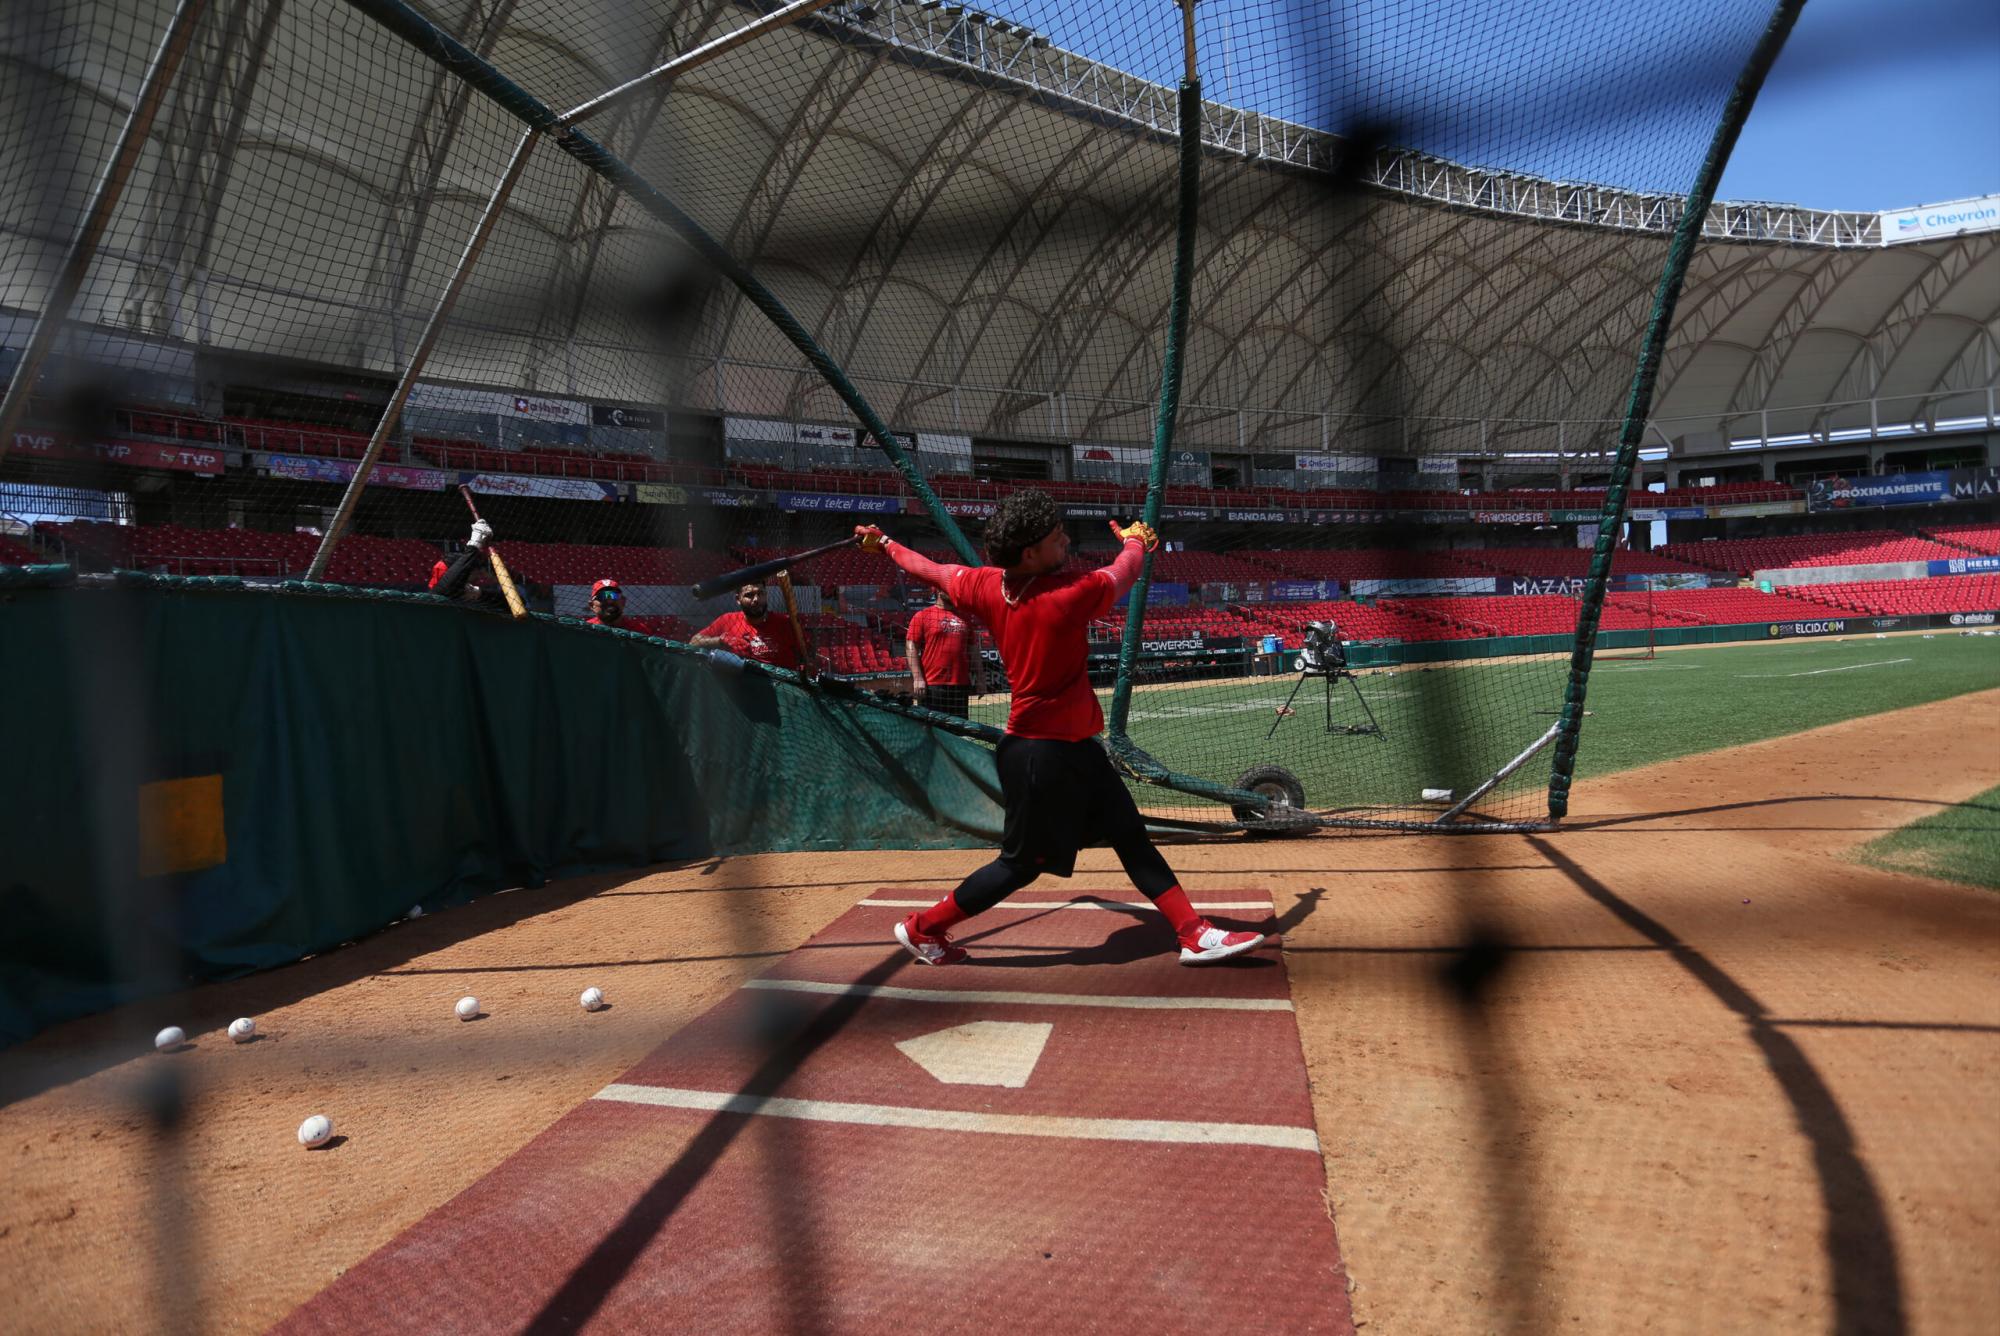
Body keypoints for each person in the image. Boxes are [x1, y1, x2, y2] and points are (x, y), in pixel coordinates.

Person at [855, 491, 1265, 967]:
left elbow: (930, 569)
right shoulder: (1069, 595)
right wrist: (1135, 541)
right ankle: (922, 928)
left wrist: (883, 541)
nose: (1066, 540)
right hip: (1039, 756)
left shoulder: (985, 584)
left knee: (1130, 835)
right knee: (1021, 866)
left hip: (1072, 748)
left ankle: (1192, 933)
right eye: (1056, 538)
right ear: (1030, 553)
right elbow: (1125, 571)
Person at [689, 581, 810, 671]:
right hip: (742, 687)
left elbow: (808, 653)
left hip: (783, 688)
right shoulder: (728, 620)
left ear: (766, 595)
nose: (756, 599)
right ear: (738, 599)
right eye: (749, 595)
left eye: (760, 593)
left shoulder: (786, 623)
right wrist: (721, 640)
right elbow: (693, 642)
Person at [905, 586, 984, 718]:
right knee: (931, 730)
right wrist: (918, 678)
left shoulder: (965, 618)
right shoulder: (923, 615)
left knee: (958, 730)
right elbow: (911, 645)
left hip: (960, 684)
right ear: (938, 591)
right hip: (932, 685)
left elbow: (973, 650)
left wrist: (981, 678)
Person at [428, 520, 498, 603]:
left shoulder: (469, 564)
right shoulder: (468, 564)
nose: (477, 578)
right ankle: (476, 538)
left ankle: (477, 538)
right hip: (446, 570)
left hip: (447, 572)